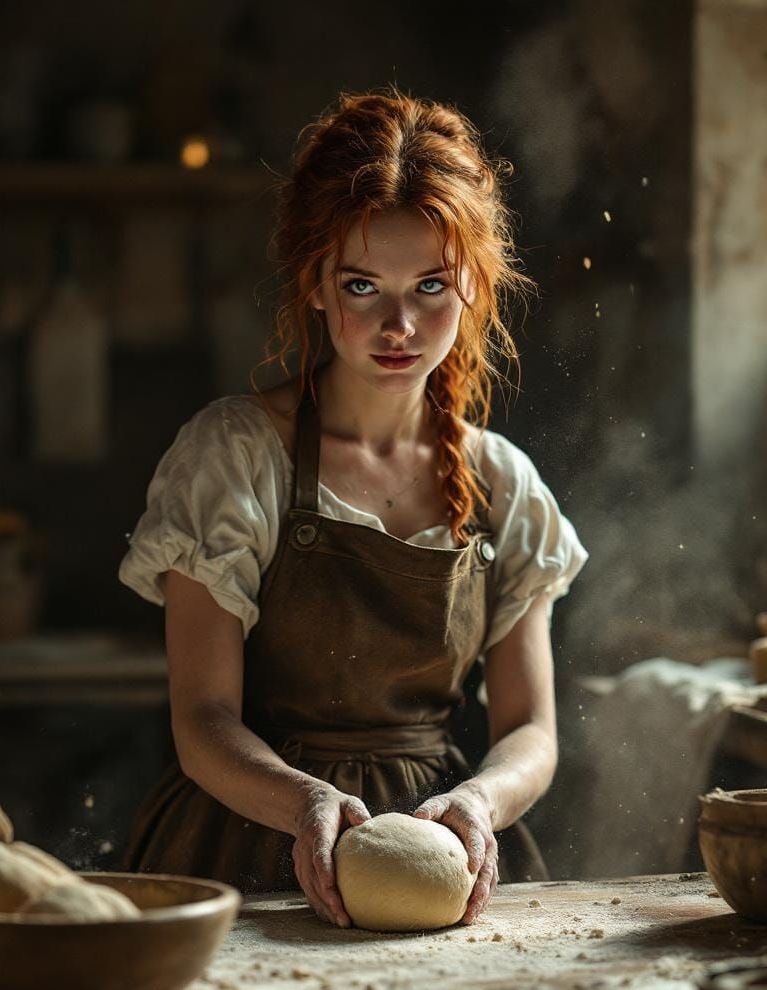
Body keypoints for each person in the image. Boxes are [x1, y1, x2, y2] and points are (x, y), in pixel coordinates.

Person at [117, 87, 588, 928]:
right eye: (364, 284)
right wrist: (305, 804)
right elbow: (202, 719)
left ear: (475, 286)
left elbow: (532, 732)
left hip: (439, 852)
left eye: (432, 286)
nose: (399, 324)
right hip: (247, 841)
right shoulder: (235, 457)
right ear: (318, 286)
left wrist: (479, 800)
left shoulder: (504, 485)